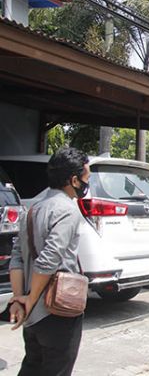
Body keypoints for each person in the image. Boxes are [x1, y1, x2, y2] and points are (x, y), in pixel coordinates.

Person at [9, 147, 90, 376]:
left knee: (32, 367)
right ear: (74, 180)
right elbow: (49, 260)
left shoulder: (31, 210)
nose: (86, 184)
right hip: (57, 310)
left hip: (32, 316)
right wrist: (30, 300)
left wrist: (19, 299)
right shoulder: (67, 210)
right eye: (86, 179)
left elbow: (17, 257)